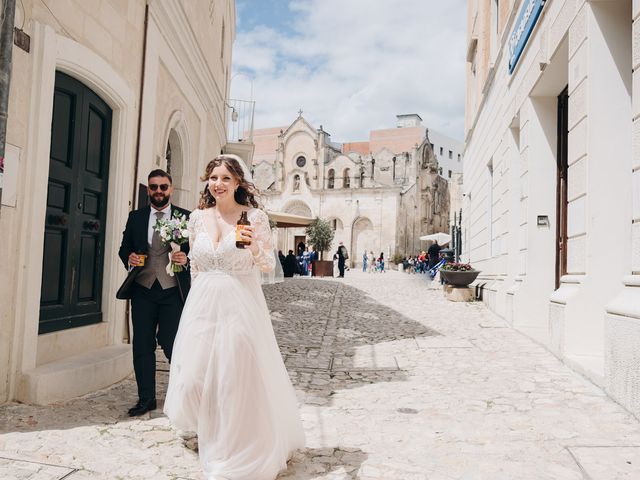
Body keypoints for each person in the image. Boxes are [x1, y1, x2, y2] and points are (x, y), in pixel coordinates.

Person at [164, 155, 304, 479]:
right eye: (213, 177)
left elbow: (268, 266)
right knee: (190, 379)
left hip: (239, 304)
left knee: (233, 379)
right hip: (201, 306)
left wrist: (255, 247)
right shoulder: (197, 218)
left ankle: (232, 443)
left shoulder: (254, 217)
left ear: (238, 183)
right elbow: (197, 267)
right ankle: (206, 427)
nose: (218, 184)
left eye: (226, 178)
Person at [118, 169, 190, 417]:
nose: (158, 191)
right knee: (142, 345)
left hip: (173, 292)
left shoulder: (185, 217)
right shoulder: (136, 217)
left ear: (171, 189)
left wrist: (186, 257)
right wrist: (130, 257)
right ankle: (146, 398)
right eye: (154, 187)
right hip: (143, 290)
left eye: (163, 187)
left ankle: (181, 398)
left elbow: (197, 252)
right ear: (148, 189)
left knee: (173, 344)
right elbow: (124, 248)